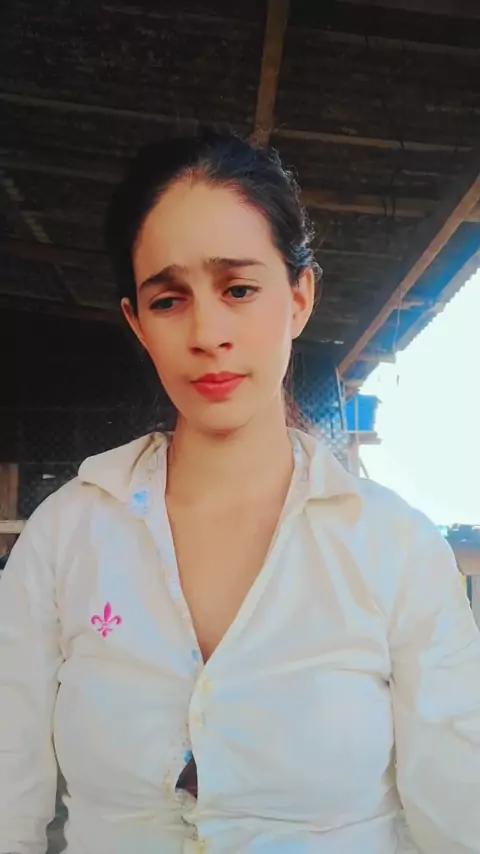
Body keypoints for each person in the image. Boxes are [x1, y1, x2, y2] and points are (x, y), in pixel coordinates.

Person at [1, 132, 479, 854]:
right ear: (137, 324)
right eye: (169, 300)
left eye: (239, 290)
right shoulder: (67, 535)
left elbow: (462, 809)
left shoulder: (393, 547)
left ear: (299, 297)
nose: (207, 333)